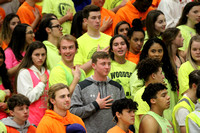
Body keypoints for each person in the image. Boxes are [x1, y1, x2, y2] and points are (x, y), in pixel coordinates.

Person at [70, 51, 125, 133]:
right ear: (93, 66)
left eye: (109, 64)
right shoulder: (81, 87)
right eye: (103, 64)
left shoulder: (118, 87)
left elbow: (124, 113)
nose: (107, 67)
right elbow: (73, 112)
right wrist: (95, 105)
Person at [130, 38, 178, 102]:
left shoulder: (168, 71)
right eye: (153, 51)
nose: (157, 54)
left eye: (160, 51)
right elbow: (136, 96)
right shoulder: (139, 73)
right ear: (146, 53)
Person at [16, 41, 49, 126]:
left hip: (48, 120)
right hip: (31, 121)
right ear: (30, 56)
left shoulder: (47, 71)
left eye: (43, 54)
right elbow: (27, 99)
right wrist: (42, 83)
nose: (40, 58)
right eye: (37, 55)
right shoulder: (24, 73)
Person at [74, 5, 111, 77]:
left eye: (99, 17)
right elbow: (77, 71)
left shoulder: (110, 39)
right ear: (85, 21)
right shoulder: (78, 42)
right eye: (93, 18)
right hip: (89, 85)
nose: (97, 21)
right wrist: (96, 58)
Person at [133, 58, 166, 133]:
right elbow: (145, 122)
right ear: (153, 75)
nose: (163, 77)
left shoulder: (156, 92)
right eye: (161, 73)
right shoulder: (141, 94)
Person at [108, 35, 136, 99]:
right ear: (111, 49)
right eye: (116, 45)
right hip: (113, 103)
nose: (120, 47)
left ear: (127, 47)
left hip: (130, 103)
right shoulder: (108, 66)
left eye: (122, 44)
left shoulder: (134, 66)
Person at [0, 47, 12, 120]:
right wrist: (3, 93)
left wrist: (7, 105)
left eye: (1, 57)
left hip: (5, 121)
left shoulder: (3, 75)